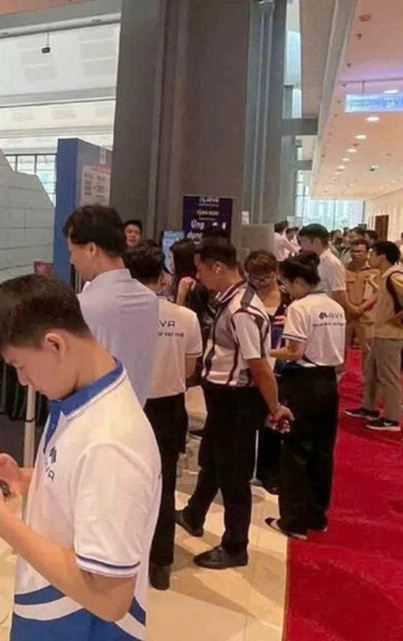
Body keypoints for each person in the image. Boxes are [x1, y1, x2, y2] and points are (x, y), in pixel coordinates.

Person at [0, 274, 161, 640]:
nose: (24, 381)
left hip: (76, 627)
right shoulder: (83, 395)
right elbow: (84, 486)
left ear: (54, 344)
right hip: (51, 613)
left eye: (20, 365)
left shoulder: (111, 443)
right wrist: (29, 479)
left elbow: (110, 600)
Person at [175, 238, 292, 570]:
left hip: (237, 401)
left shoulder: (242, 309)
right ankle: (194, 515)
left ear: (217, 267)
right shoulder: (231, 301)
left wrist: (274, 407)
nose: (198, 276)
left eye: (200, 269)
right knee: (212, 460)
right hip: (223, 398)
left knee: (233, 475)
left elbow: (259, 365)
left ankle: (235, 545)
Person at [125, 243, 202, 591]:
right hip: (169, 408)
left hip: (127, 405)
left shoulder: (119, 315)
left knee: (124, 482)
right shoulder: (185, 317)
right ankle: (161, 563)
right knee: (165, 484)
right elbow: (189, 369)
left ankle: (125, 556)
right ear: (162, 276)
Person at [267, 252, 346, 540]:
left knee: (296, 450)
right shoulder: (335, 307)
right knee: (323, 450)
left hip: (303, 382)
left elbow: (294, 352)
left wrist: (263, 351)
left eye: (287, 284)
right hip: (328, 382)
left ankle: (293, 521)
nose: (286, 290)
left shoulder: (300, 308)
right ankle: (317, 515)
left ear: (298, 281)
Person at [65, 205, 159, 405]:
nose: (71, 260)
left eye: (72, 251)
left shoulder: (83, 306)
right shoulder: (150, 300)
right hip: (136, 413)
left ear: (91, 249)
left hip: (92, 414)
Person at [244, 250, 291, 495]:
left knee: (274, 418)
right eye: (256, 277)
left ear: (277, 272)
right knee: (247, 418)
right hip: (250, 364)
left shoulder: (290, 299)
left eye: (267, 277)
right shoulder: (244, 298)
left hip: (280, 366)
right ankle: (243, 468)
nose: (261, 282)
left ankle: (269, 472)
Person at [345, 241, 403, 432]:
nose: (369, 257)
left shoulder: (395, 276)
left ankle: (392, 419)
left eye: (372, 253)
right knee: (371, 372)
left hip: (392, 335)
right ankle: (368, 408)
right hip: (382, 333)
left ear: (382, 256)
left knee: (389, 377)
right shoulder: (386, 276)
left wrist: (397, 319)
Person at [344, 238, 379, 367]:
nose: (355, 254)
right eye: (353, 251)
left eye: (359, 251)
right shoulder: (344, 270)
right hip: (347, 314)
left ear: (367, 252)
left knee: (368, 351)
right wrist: (349, 307)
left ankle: (367, 377)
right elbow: (340, 291)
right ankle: (338, 375)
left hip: (366, 315)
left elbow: (378, 293)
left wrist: (361, 308)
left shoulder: (375, 271)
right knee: (341, 349)